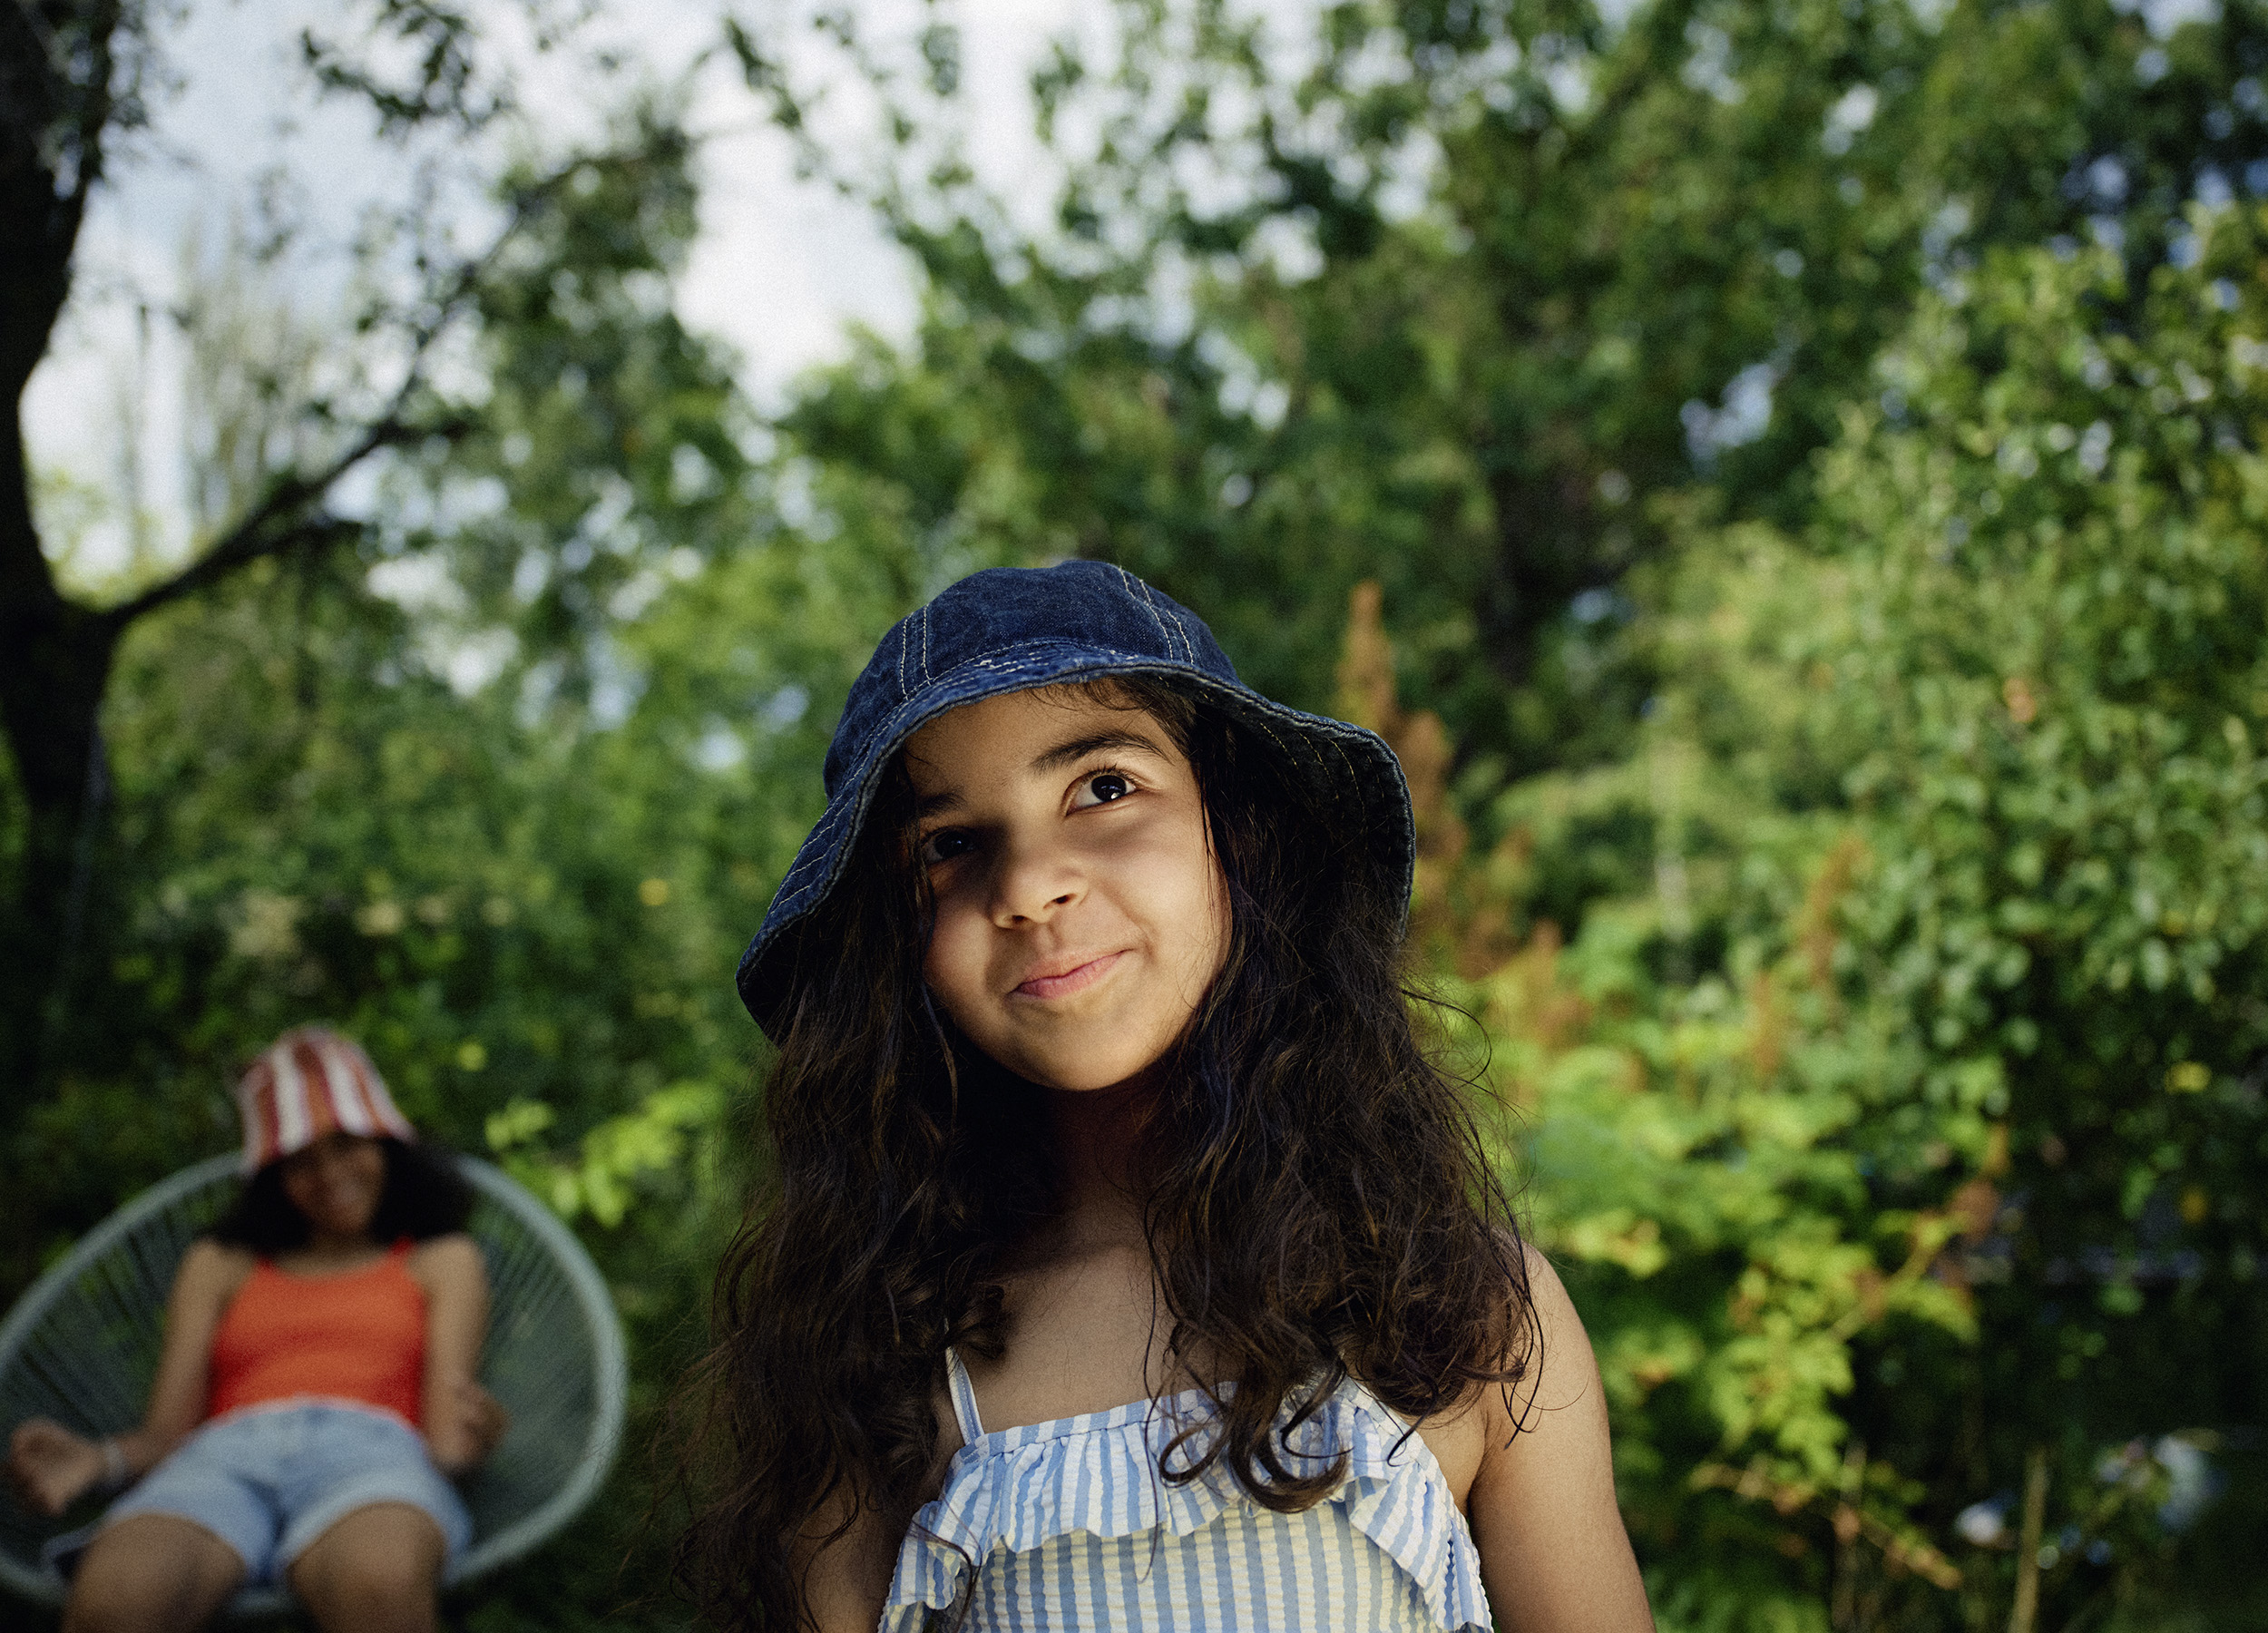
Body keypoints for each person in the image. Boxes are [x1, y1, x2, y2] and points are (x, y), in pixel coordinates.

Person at [681, 562, 1656, 1632]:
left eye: (1103, 788)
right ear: (893, 954)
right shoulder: (880, 1369)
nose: (1028, 887)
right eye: (949, 846)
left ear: (1240, 835)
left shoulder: (1461, 1311)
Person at [5, 1026, 505, 1633]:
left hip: (372, 1461)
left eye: (347, 1143)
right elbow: (166, 1435)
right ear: (273, 1174)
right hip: (219, 1463)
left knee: (380, 1584)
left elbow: (446, 1443)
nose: (330, 1174)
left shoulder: (441, 1260)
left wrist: (474, 1441)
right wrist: (98, 1460)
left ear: (387, 1144)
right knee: (117, 1599)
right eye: (301, 1160)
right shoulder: (220, 1263)